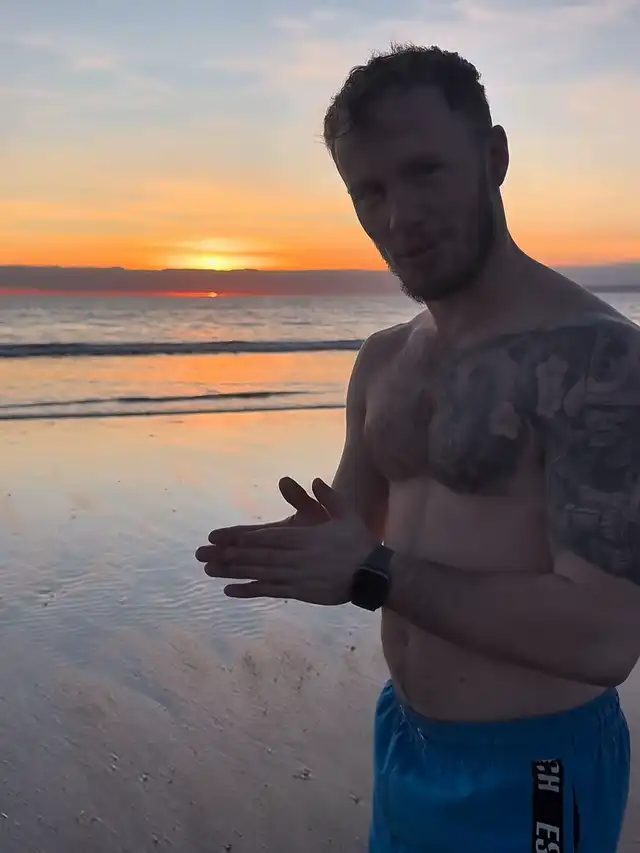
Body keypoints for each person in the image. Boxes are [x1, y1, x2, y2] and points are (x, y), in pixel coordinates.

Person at [195, 44, 640, 852]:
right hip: (406, 739)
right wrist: (309, 552)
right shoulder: (383, 360)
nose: (399, 218)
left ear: (494, 157)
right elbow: (354, 538)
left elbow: (604, 636)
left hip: (538, 763)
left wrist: (370, 570)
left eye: (425, 171)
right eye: (369, 192)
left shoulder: (597, 363)